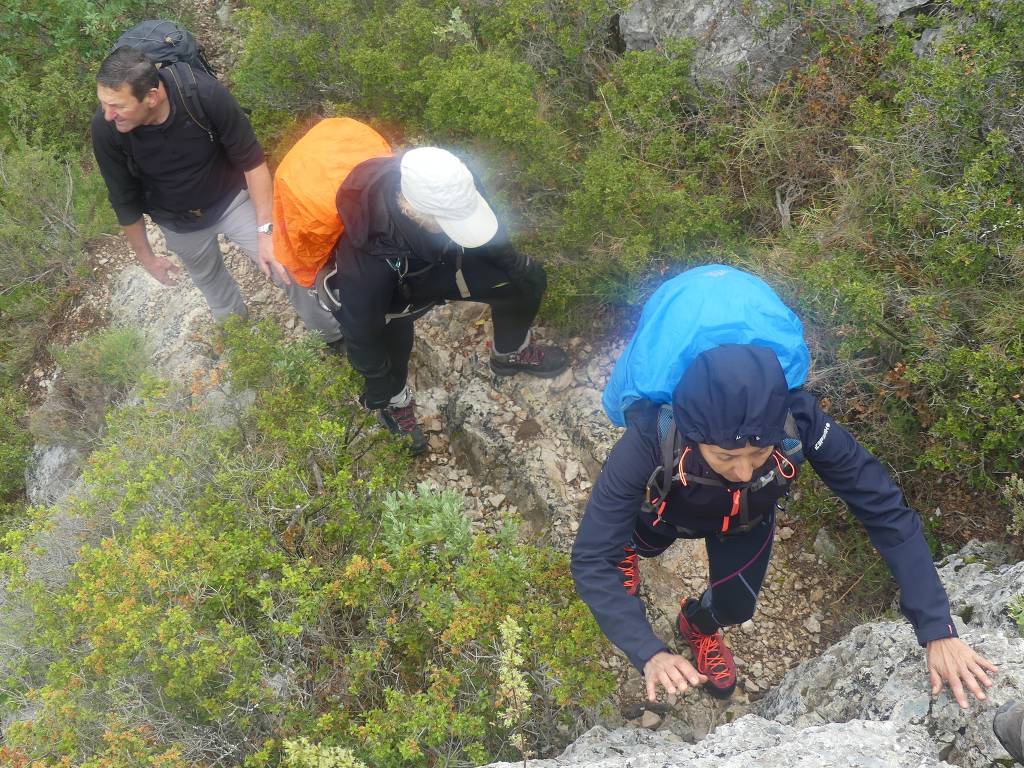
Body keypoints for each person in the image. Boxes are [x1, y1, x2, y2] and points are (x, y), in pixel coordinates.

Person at [571, 342, 997, 705]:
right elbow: (591, 558)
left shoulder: (801, 420)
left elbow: (885, 509)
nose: (742, 472)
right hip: (671, 512)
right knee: (631, 545)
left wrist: (937, 626)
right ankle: (633, 552)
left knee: (736, 607)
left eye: (759, 456)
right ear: (690, 429)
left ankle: (695, 625)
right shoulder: (651, 437)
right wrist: (648, 651)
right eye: (725, 457)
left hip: (745, 522)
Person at [318, 146, 568, 454]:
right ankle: (395, 403)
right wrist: (376, 383)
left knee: (521, 283)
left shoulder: (453, 184)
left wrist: (513, 263)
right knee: (392, 343)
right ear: (414, 211)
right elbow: (361, 330)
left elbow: (487, 231)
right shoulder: (366, 260)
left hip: (444, 263)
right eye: (451, 222)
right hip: (395, 293)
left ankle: (510, 352)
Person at [91, 47, 343, 349]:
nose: (108, 115)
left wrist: (266, 232)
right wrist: (147, 258)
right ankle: (246, 351)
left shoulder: (203, 94)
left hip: (230, 198)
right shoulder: (107, 130)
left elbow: (252, 162)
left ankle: (337, 338)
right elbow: (124, 198)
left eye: (117, 106)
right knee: (214, 288)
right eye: (104, 104)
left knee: (284, 264)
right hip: (175, 220)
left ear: (152, 96)